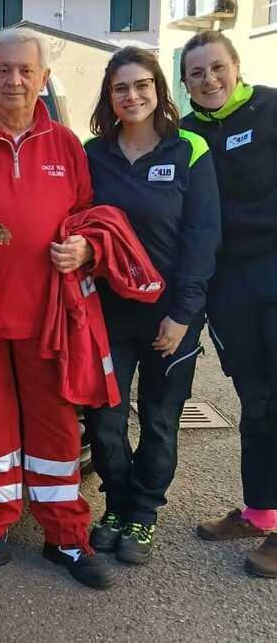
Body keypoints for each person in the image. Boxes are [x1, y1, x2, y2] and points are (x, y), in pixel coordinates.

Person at [0, 27, 114, 590]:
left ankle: (66, 537)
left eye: (25, 71)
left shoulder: (66, 146)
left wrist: (85, 247)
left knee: (57, 427)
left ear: (43, 79)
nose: (14, 80)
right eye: (3, 70)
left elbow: (87, 217)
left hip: (48, 320)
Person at [83, 47, 221, 565]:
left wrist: (183, 315)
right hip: (109, 315)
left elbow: (203, 239)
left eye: (142, 85)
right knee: (106, 420)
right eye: (121, 88)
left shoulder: (191, 150)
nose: (133, 96)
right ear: (110, 97)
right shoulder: (92, 154)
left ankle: (144, 512)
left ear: (159, 89)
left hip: (171, 316)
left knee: (160, 420)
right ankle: (116, 505)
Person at [180, 30, 277, 578]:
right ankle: (260, 510)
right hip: (229, 285)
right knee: (255, 399)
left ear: (236, 67)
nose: (210, 80)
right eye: (197, 73)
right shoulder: (189, 133)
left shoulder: (271, 107)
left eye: (218, 68)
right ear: (185, 82)